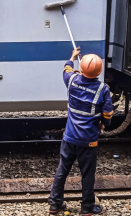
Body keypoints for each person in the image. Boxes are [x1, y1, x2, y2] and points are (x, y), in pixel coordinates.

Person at [48, 47, 113, 215]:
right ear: (99, 72)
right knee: (87, 174)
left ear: (81, 69)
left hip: (69, 137)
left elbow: (67, 68)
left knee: (62, 170)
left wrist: (72, 56)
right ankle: (87, 207)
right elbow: (108, 114)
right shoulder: (103, 89)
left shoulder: (72, 80)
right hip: (88, 140)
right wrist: (104, 124)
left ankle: (55, 204)